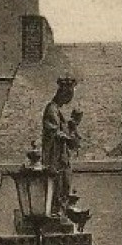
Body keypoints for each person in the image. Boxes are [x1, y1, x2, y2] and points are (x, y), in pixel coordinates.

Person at [41, 76, 82, 214]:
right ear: (62, 94)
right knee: (58, 186)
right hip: (55, 158)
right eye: (68, 96)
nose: (68, 100)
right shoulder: (51, 109)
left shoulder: (58, 111)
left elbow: (62, 132)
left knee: (65, 185)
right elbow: (52, 130)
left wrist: (72, 127)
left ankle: (61, 209)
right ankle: (57, 210)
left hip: (63, 158)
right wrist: (67, 137)